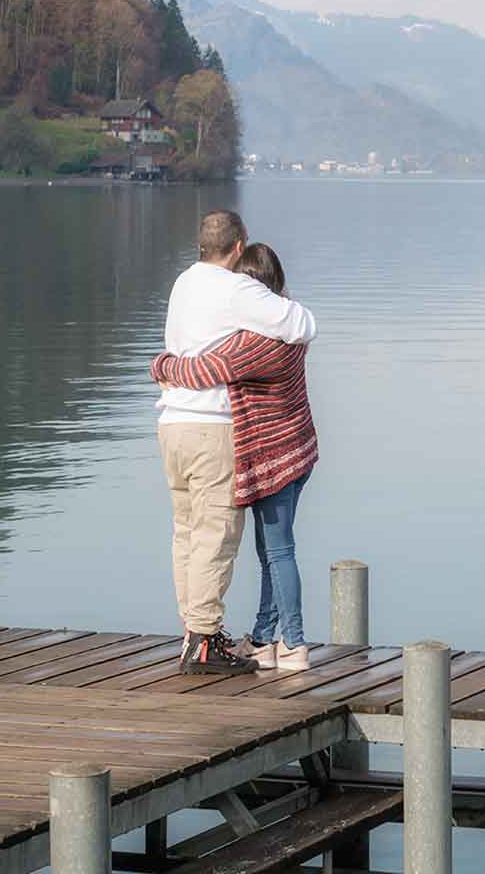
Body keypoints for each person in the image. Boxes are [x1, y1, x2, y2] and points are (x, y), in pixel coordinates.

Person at [159, 211, 315, 676]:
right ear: (238, 245)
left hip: (171, 427)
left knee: (186, 531)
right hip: (212, 429)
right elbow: (302, 324)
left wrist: (162, 367)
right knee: (215, 534)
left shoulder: (183, 283)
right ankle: (205, 639)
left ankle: (196, 631)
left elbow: (193, 360)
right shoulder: (236, 289)